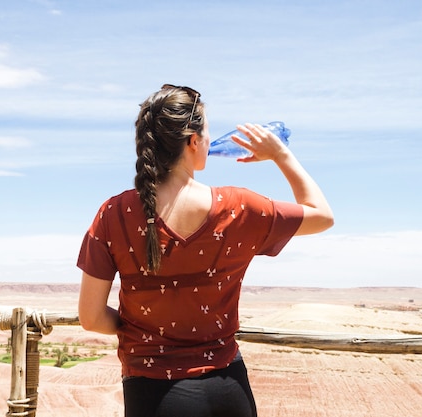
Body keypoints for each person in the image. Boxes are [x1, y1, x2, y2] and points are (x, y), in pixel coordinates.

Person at [77, 84, 334, 417]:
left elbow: (92, 317)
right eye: (208, 133)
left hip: (152, 395)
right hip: (230, 391)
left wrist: (141, 328)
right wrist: (281, 155)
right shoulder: (239, 208)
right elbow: (322, 215)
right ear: (193, 142)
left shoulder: (114, 214)